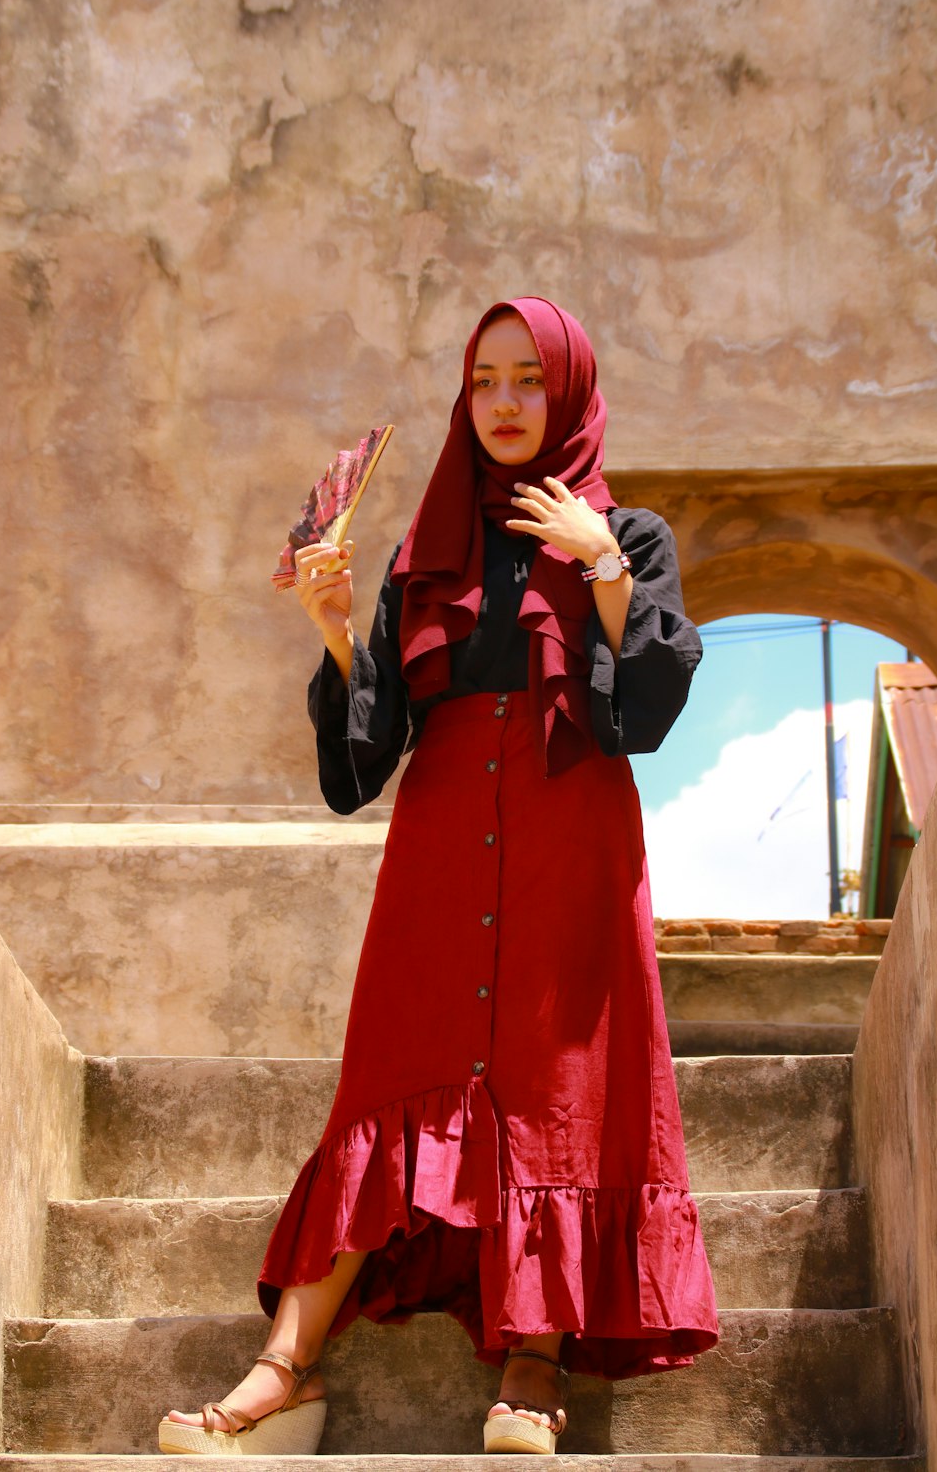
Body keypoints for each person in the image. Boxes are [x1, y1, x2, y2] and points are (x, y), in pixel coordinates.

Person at [159, 296, 718, 1459]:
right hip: (439, 836)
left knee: (561, 1098)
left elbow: (649, 713)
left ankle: (534, 1361)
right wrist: (333, 633)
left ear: (567, 393)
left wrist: (603, 563)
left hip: (573, 840)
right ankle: (285, 1368)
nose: (506, 404)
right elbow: (366, 756)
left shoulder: (635, 534)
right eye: (485, 382)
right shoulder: (421, 548)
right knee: (393, 1078)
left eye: (529, 382)